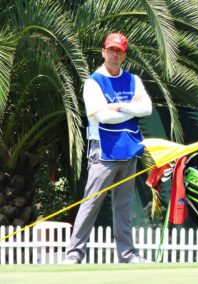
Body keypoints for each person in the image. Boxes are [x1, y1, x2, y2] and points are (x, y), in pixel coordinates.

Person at [63, 33, 152, 264]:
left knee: (123, 205)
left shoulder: (134, 80)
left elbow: (147, 109)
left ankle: (128, 254)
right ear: (103, 52)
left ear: (124, 55)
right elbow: (102, 116)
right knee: (91, 202)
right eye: (111, 50)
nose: (114, 54)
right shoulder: (93, 81)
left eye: (119, 51)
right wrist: (131, 108)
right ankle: (74, 253)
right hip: (102, 149)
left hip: (129, 147)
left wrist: (120, 105)